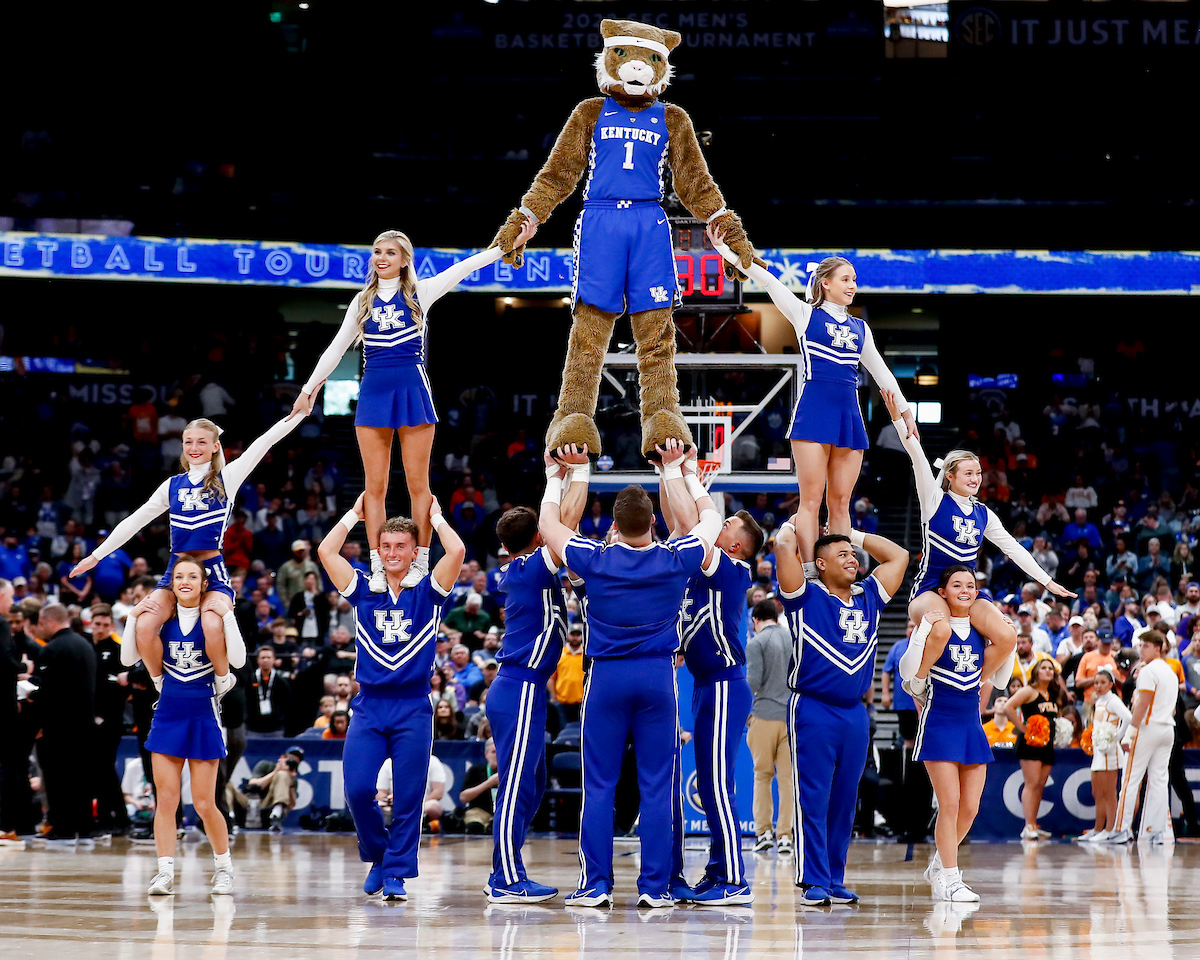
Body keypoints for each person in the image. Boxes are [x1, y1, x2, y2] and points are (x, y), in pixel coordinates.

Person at [292, 221, 535, 594]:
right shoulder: (361, 302)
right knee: (375, 487)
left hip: (412, 389)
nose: (381, 258)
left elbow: (466, 267)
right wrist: (309, 389)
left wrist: (510, 244)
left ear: (405, 260)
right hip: (373, 389)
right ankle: (377, 564)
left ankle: (420, 560)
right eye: (377, 251)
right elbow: (336, 348)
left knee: (418, 485)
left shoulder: (421, 293)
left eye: (390, 252)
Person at [539, 442, 724, 908]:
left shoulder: (595, 559)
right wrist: (679, 469)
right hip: (659, 679)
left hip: (606, 679)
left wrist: (565, 474)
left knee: (599, 784)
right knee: (658, 785)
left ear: (614, 527)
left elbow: (549, 526)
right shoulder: (674, 557)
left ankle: (596, 885)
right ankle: (655, 888)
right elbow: (711, 521)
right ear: (655, 524)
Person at [709, 226, 915, 570]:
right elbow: (768, 280)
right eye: (846, 279)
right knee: (811, 501)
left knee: (841, 503)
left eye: (854, 280)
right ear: (826, 284)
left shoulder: (860, 328)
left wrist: (906, 414)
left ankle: (839, 567)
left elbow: (883, 374)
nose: (852, 285)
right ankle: (811, 569)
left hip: (849, 414)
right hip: (813, 412)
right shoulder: (805, 315)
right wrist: (726, 252)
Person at [882, 389, 1072, 717]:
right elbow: (915, 454)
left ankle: (970, 683)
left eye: (979, 473)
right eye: (968, 473)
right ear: (951, 476)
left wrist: (1047, 581)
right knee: (939, 629)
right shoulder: (934, 500)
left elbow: (1013, 547)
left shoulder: (983, 513)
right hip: (931, 589)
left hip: (969, 592)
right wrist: (901, 420)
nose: (976, 478)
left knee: (1006, 636)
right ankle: (918, 680)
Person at [71, 415, 302, 681]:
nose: (194, 448)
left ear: (216, 446)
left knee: (212, 624)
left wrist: (300, 411)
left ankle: (223, 678)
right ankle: (159, 682)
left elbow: (264, 442)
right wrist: (96, 556)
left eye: (202, 442)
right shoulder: (171, 485)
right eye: (188, 442)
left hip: (212, 571)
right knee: (145, 625)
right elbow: (135, 520)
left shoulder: (227, 478)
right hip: (176, 572)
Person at [317, 490, 465, 901]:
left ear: (413, 550)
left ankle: (397, 873)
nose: (393, 552)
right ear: (377, 551)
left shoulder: (429, 591)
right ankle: (380, 856)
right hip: (369, 706)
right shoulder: (363, 587)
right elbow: (327, 551)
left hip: (414, 706)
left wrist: (435, 518)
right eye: (386, 546)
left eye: (401, 546)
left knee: (409, 796)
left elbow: (457, 549)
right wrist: (352, 513)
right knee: (358, 789)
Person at [773, 516, 909, 906]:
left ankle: (834, 876)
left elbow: (898, 556)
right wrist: (791, 526)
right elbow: (784, 549)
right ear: (820, 565)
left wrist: (855, 534)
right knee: (813, 796)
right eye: (842, 554)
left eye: (853, 554)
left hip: (854, 713)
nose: (852, 559)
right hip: (812, 707)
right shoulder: (804, 595)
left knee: (846, 798)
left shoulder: (869, 595)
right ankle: (812, 878)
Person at [657, 441, 765, 904]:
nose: (715, 526)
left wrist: (686, 471)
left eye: (725, 525)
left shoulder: (731, 569)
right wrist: (667, 472)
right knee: (709, 774)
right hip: (705, 684)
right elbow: (681, 522)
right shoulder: (708, 561)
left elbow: (695, 518)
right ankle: (718, 869)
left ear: (734, 543)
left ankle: (735, 879)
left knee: (716, 781)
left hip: (724, 683)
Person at [484, 446, 588, 903]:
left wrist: (560, 480)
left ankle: (509, 865)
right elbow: (560, 525)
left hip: (522, 688)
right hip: (520, 685)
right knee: (516, 781)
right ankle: (505, 877)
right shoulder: (530, 568)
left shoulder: (521, 568)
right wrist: (564, 474)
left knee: (533, 781)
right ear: (536, 541)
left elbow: (557, 525)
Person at [139, 559, 237, 895]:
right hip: (167, 714)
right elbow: (128, 657)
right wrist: (135, 615)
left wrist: (227, 615)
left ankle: (224, 868)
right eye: (178, 575)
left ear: (203, 584)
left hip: (203, 715)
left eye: (192, 576)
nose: (184, 581)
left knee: (204, 803)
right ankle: (164, 872)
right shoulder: (160, 621)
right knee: (165, 801)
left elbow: (237, 659)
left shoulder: (212, 620)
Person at [908, 566, 1006, 902]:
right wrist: (921, 631)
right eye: (957, 585)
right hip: (939, 722)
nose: (965, 589)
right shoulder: (936, 627)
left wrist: (1006, 633)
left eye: (970, 585)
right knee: (949, 805)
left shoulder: (982, 632)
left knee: (970, 808)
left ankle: (939, 865)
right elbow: (910, 675)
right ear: (944, 592)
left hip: (971, 725)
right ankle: (951, 878)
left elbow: (1002, 678)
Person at [27, 603, 97, 843]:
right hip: (85, 724)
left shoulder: (52, 649)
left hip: (59, 726)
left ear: (48, 621)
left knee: (58, 779)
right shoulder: (85, 645)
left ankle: (62, 828)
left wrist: (32, 699)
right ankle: (85, 827)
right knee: (81, 778)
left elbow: (49, 691)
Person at [1107, 632, 1180, 843]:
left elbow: (1142, 704)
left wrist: (1129, 732)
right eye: (1141, 645)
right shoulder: (1171, 671)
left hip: (1148, 727)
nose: (1142, 650)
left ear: (1159, 648)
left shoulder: (1148, 671)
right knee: (1158, 780)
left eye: (1146, 645)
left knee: (1131, 780)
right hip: (1167, 728)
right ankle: (1156, 831)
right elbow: (1173, 708)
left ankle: (1121, 829)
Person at [745, 597, 794, 856]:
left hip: (764, 715)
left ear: (755, 620)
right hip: (791, 718)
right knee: (787, 780)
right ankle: (786, 836)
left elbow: (752, 681)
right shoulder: (793, 638)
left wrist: (743, 711)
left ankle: (764, 833)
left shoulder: (757, 642)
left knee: (762, 776)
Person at [1003, 657, 1066, 841]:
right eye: (1044, 668)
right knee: (1031, 784)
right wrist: (1022, 728)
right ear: (1036, 672)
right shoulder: (1028, 691)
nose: (1048, 671)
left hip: (1047, 744)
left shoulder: (1054, 693)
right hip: (1030, 744)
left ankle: (1034, 824)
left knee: (1040, 785)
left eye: (1051, 669)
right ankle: (1028, 826)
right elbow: (1008, 707)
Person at [89, 604, 131, 836]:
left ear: (111, 627)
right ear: (91, 624)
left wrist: (104, 716)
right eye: (97, 624)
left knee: (106, 769)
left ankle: (119, 819)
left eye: (106, 625)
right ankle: (105, 818)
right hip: (87, 721)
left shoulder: (117, 650)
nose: (101, 629)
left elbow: (122, 689)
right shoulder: (85, 648)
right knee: (97, 770)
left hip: (110, 721)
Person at [1078, 667, 1131, 843]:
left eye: (1102, 683)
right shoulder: (1099, 701)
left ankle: (1111, 830)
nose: (1098, 686)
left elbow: (1128, 718)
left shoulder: (1113, 700)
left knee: (1109, 793)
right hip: (1099, 752)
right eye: (1096, 683)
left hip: (1110, 753)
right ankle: (1098, 828)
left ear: (1111, 684)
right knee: (1097, 792)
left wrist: (1116, 737)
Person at [882, 619, 919, 747]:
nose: (912, 630)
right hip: (904, 704)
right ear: (905, 630)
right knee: (908, 738)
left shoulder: (929, 646)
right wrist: (885, 694)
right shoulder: (897, 647)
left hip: (924, 702)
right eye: (910, 627)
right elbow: (886, 672)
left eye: (916, 627)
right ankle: (909, 766)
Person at [460, 738, 499, 836]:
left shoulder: (511, 772)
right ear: (486, 754)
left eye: (499, 752)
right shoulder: (476, 770)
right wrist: (488, 783)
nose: (497, 755)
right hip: (480, 812)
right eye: (493, 752)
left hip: (503, 812)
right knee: (474, 826)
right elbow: (463, 797)